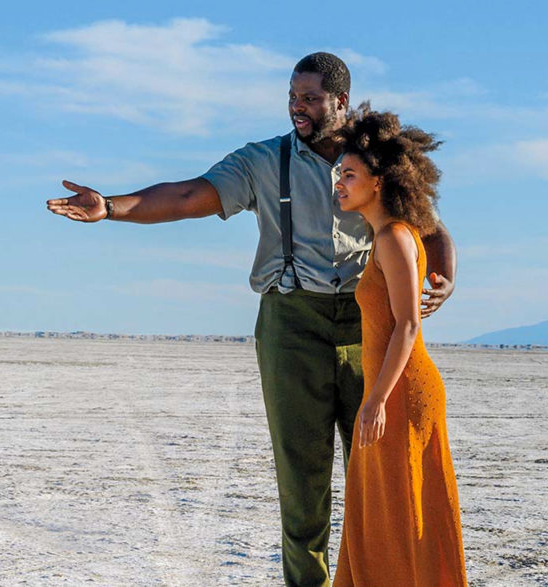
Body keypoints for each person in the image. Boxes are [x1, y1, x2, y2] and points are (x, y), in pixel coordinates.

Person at [46, 52, 457, 586]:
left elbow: (430, 226)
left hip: (368, 328)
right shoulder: (263, 161)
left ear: (341, 102)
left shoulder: (375, 161)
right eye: (291, 96)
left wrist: (443, 273)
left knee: (374, 480)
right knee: (302, 483)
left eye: (309, 98)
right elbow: (189, 194)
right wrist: (112, 206)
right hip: (291, 325)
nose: (297, 108)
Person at [332, 105, 467, 585]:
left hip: (402, 392)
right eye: (338, 174)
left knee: (398, 514)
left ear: (380, 181)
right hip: (394, 389)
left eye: (349, 174)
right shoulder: (387, 236)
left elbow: (408, 325)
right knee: (385, 513)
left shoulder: (392, 237)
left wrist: (375, 399)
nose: (339, 183)